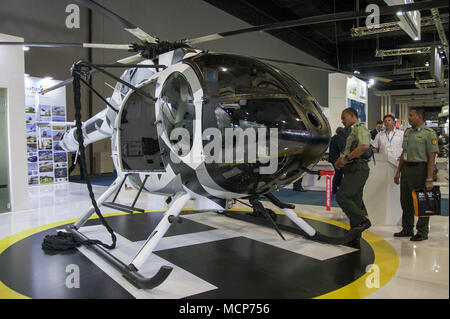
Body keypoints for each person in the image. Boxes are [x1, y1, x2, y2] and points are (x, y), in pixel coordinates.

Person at [394, 107, 438, 241]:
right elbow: (403, 154)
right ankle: (407, 228)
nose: (409, 118)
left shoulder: (429, 133)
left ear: (419, 117)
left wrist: (429, 178)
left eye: (411, 115)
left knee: (421, 201)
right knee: (405, 201)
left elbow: (432, 157)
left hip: (420, 170)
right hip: (407, 170)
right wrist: (398, 172)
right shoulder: (408, 132)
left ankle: (422, 232)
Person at [335, 108, 372, 248]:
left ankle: (363, 221)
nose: (342, 121)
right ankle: (355, 235)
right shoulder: (352, 131)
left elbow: (363, 146)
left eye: (344, 118)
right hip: (352, 168)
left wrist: (346, 158)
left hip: (358, 168)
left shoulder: (360, 128)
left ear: (352, 116)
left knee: (342, 197)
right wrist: (340, 162)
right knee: (355, 201)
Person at [328, 127, 349, 194]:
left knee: (338, 173)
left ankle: (336, 188)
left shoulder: (334, 138)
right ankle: (336, 189)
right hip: (336, 159)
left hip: (333, 158)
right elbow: (342, 149)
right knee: (338, 173)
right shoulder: (338, 138)